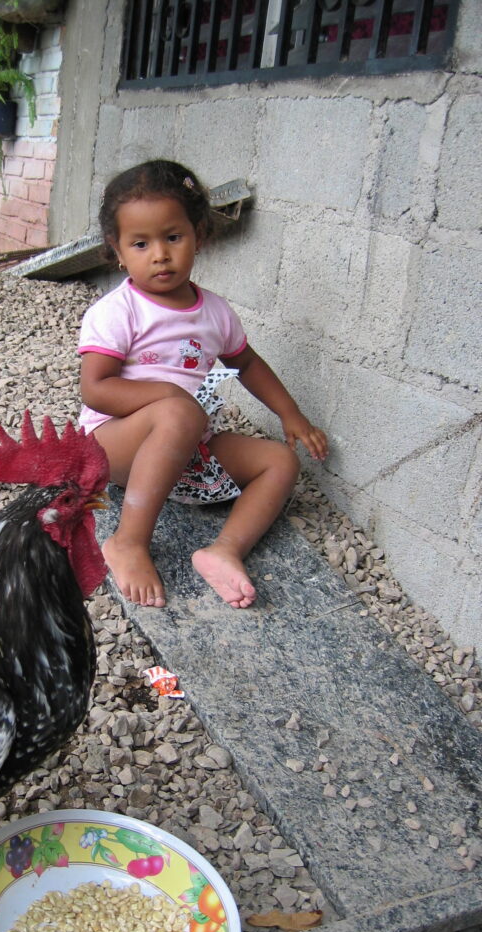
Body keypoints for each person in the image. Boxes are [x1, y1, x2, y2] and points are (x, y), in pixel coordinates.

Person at [78, 159, 328, 609]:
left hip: (185, 443)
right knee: (178, 411)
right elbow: (96, 389)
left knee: (279, 462)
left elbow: (246, 362)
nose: (160, 254)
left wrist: (289, 414)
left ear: (199, 233)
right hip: (115, 443)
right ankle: (128, 542)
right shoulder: (118, 311)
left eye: (173, 237)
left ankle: (224, 550)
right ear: (117, 250)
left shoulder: (214, 312)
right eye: (140, 243)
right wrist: (170, 397)